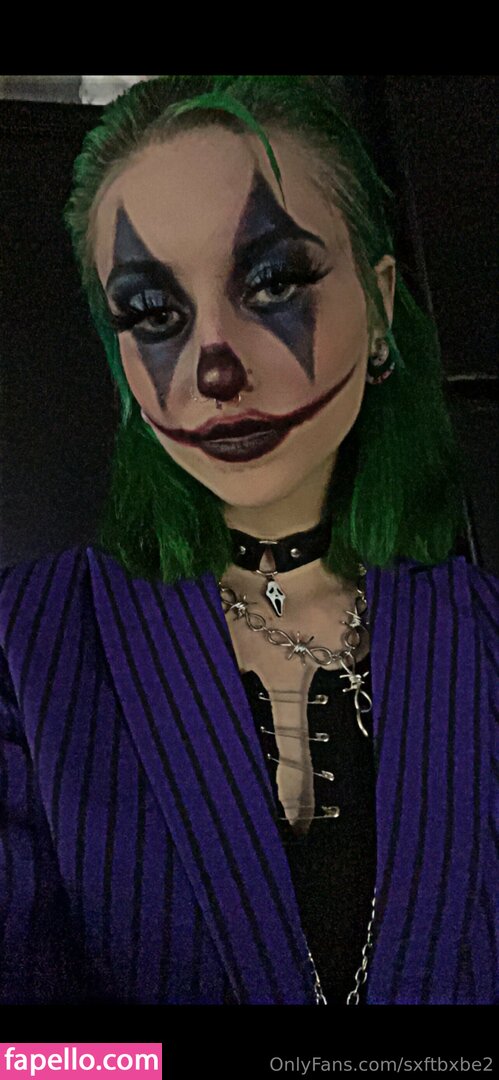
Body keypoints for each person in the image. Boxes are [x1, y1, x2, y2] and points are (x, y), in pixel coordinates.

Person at [0, 75, 497, 1006]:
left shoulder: (483, 631)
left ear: (380, 306)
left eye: (272, 283)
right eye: (153, 314)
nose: (214, 370)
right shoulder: (23, 643)